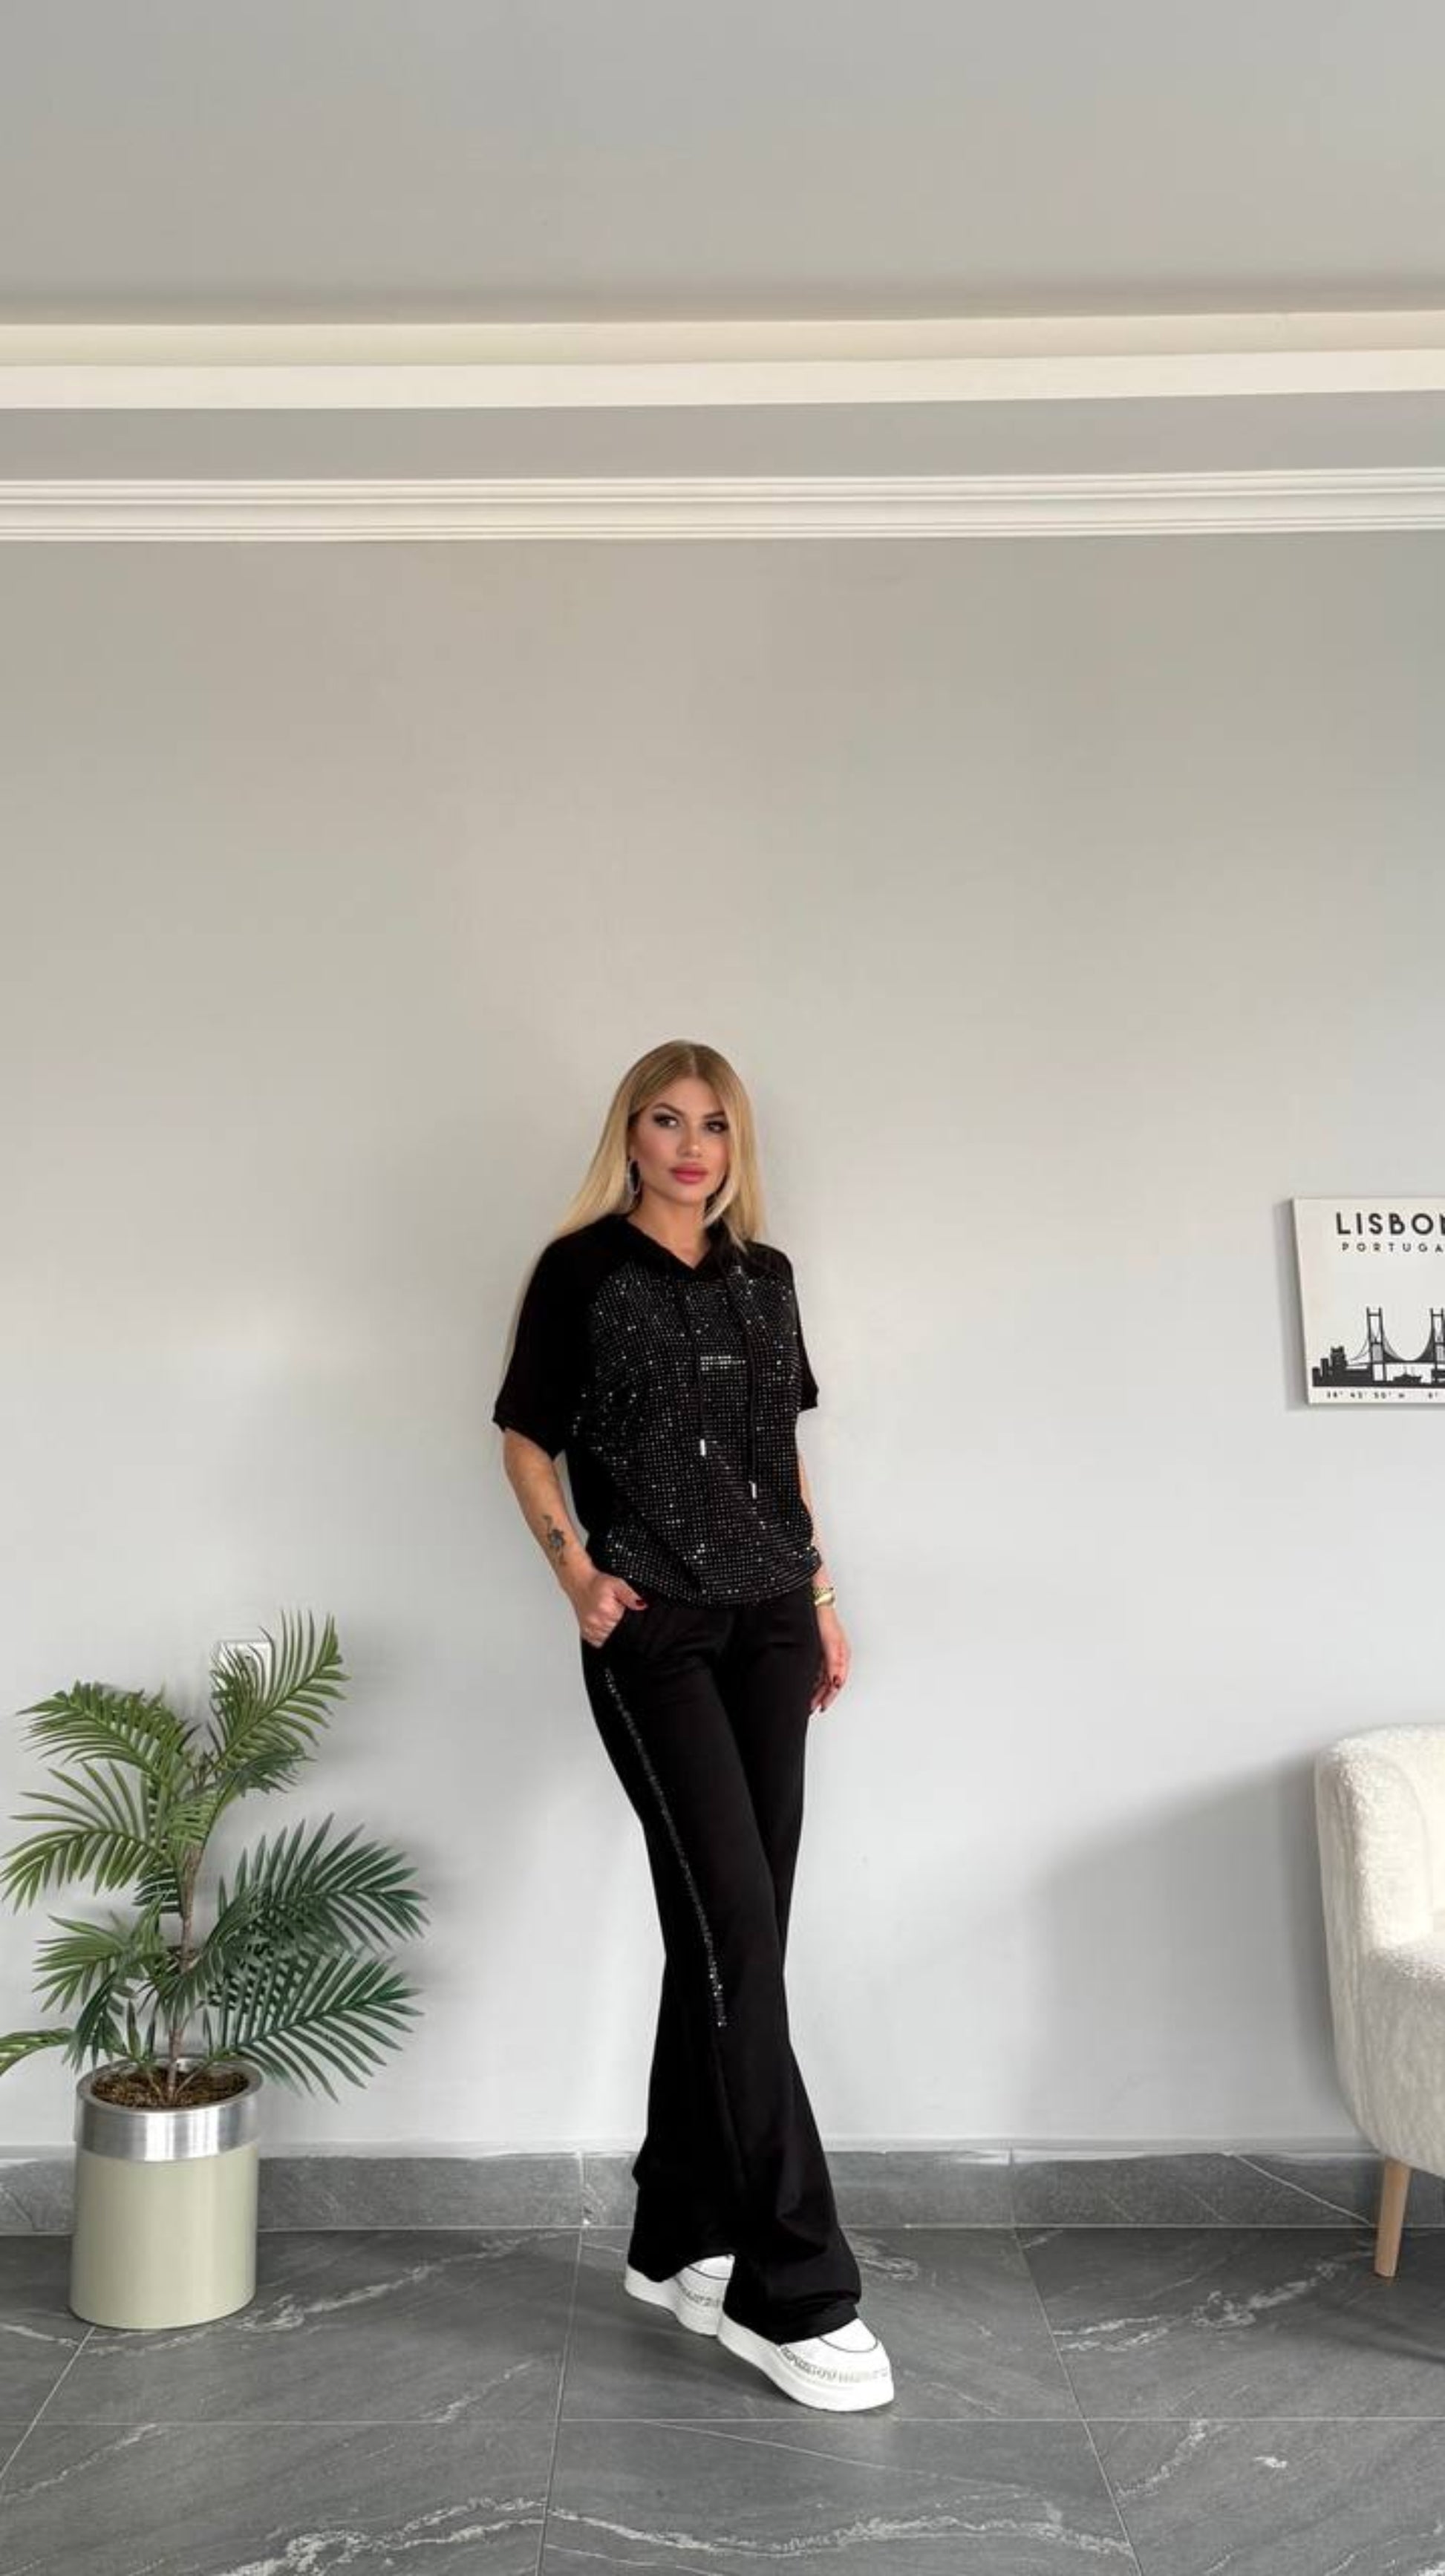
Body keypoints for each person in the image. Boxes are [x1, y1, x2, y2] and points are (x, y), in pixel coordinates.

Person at [492, 1039, 894, 2413]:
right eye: (663, 1120)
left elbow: (780, 1455)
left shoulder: (764, 1279)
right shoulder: (582, 1273)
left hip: (771, 1622)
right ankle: (794, 2286)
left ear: (735, 1144)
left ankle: (679, 2233)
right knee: (737, 1929)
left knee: (734, 1932)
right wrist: (575, 1574)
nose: (688, 1145)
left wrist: (821, 1597)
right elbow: (525, 1436)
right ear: (631, 1134)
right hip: (654, 1632)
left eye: (711, 1124)